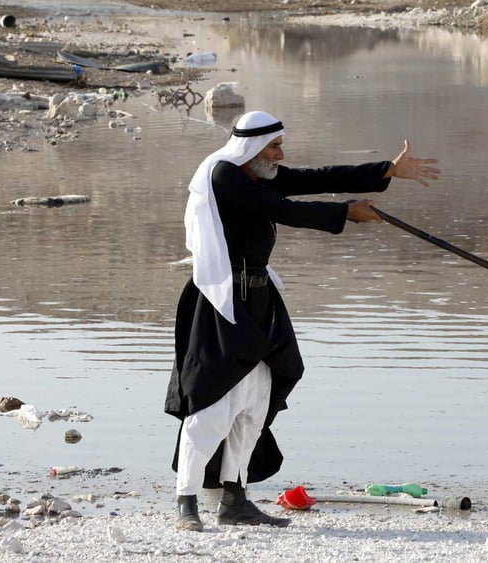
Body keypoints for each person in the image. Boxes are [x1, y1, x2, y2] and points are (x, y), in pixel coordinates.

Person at [164, 110, 440, 532]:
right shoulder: (226, 176)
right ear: (252, 147)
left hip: (259, 298)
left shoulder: (256, 174)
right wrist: (346, 214)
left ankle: (235, 500)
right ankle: (186, 502)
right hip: (222, 301)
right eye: (273, 146)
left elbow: (315, 177)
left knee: (254, 401)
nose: (280, 154)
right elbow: (281, 209)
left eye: (278, 145)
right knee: (213, 404)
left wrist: (387, 170)